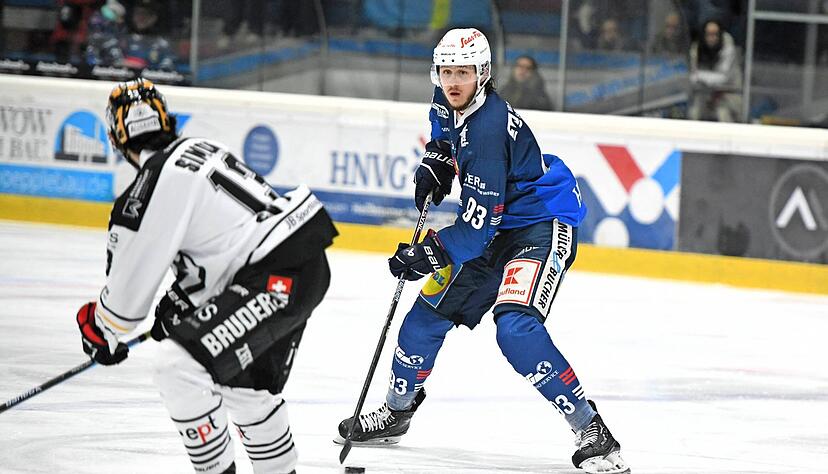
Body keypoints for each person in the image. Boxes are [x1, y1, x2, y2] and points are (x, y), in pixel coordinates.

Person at [334, 28, 630, 474]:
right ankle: (397, 413)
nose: (453, 81)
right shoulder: (447, 94)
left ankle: (593, 431)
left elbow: (474, 233)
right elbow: (442, 126)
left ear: (483, 74)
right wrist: (437, 157)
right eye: (447, 71)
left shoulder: (488, 131)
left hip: (538, 227)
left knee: (515, 329)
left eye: (464, 72)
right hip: (494, 226)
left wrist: (427, 254)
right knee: (421, 322)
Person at [74, 78, 337, 473]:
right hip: (300, 263)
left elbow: (122, 312)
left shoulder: (146, 188)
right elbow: (226, 245)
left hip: (272, 279)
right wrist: (183, 302)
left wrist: (98, 328)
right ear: (168, 121)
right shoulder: (202, 149)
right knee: (244, 387)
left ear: (116, 137)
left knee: (175, 366)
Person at [689, 20, 742, 122]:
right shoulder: (697, 48)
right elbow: (692, 76)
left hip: (728, 96)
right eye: (708, 34)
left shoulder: (728, 48)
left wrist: (700, 76)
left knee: (722, 114)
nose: (712, 38)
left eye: (715, 34)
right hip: (704, 94)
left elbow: (722, 78)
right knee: (694, 112)